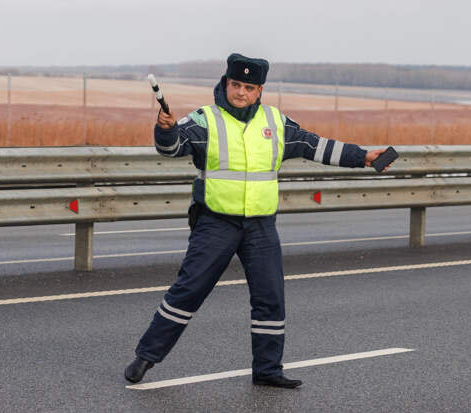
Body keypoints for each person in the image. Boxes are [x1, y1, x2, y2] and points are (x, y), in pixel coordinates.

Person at [125, 53, 392, 388]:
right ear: (226, 83)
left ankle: (267, 370)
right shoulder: (205, 119)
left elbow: (316, 146)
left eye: (248, 87)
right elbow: (172, 147)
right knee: (188, 291)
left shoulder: (275, 122)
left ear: (259, 89)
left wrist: (363, 157)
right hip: (215, 224)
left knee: (270, 297)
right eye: (236, 84)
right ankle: (146, 357)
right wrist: (164, 132)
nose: (241, 92)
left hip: (261, 228)